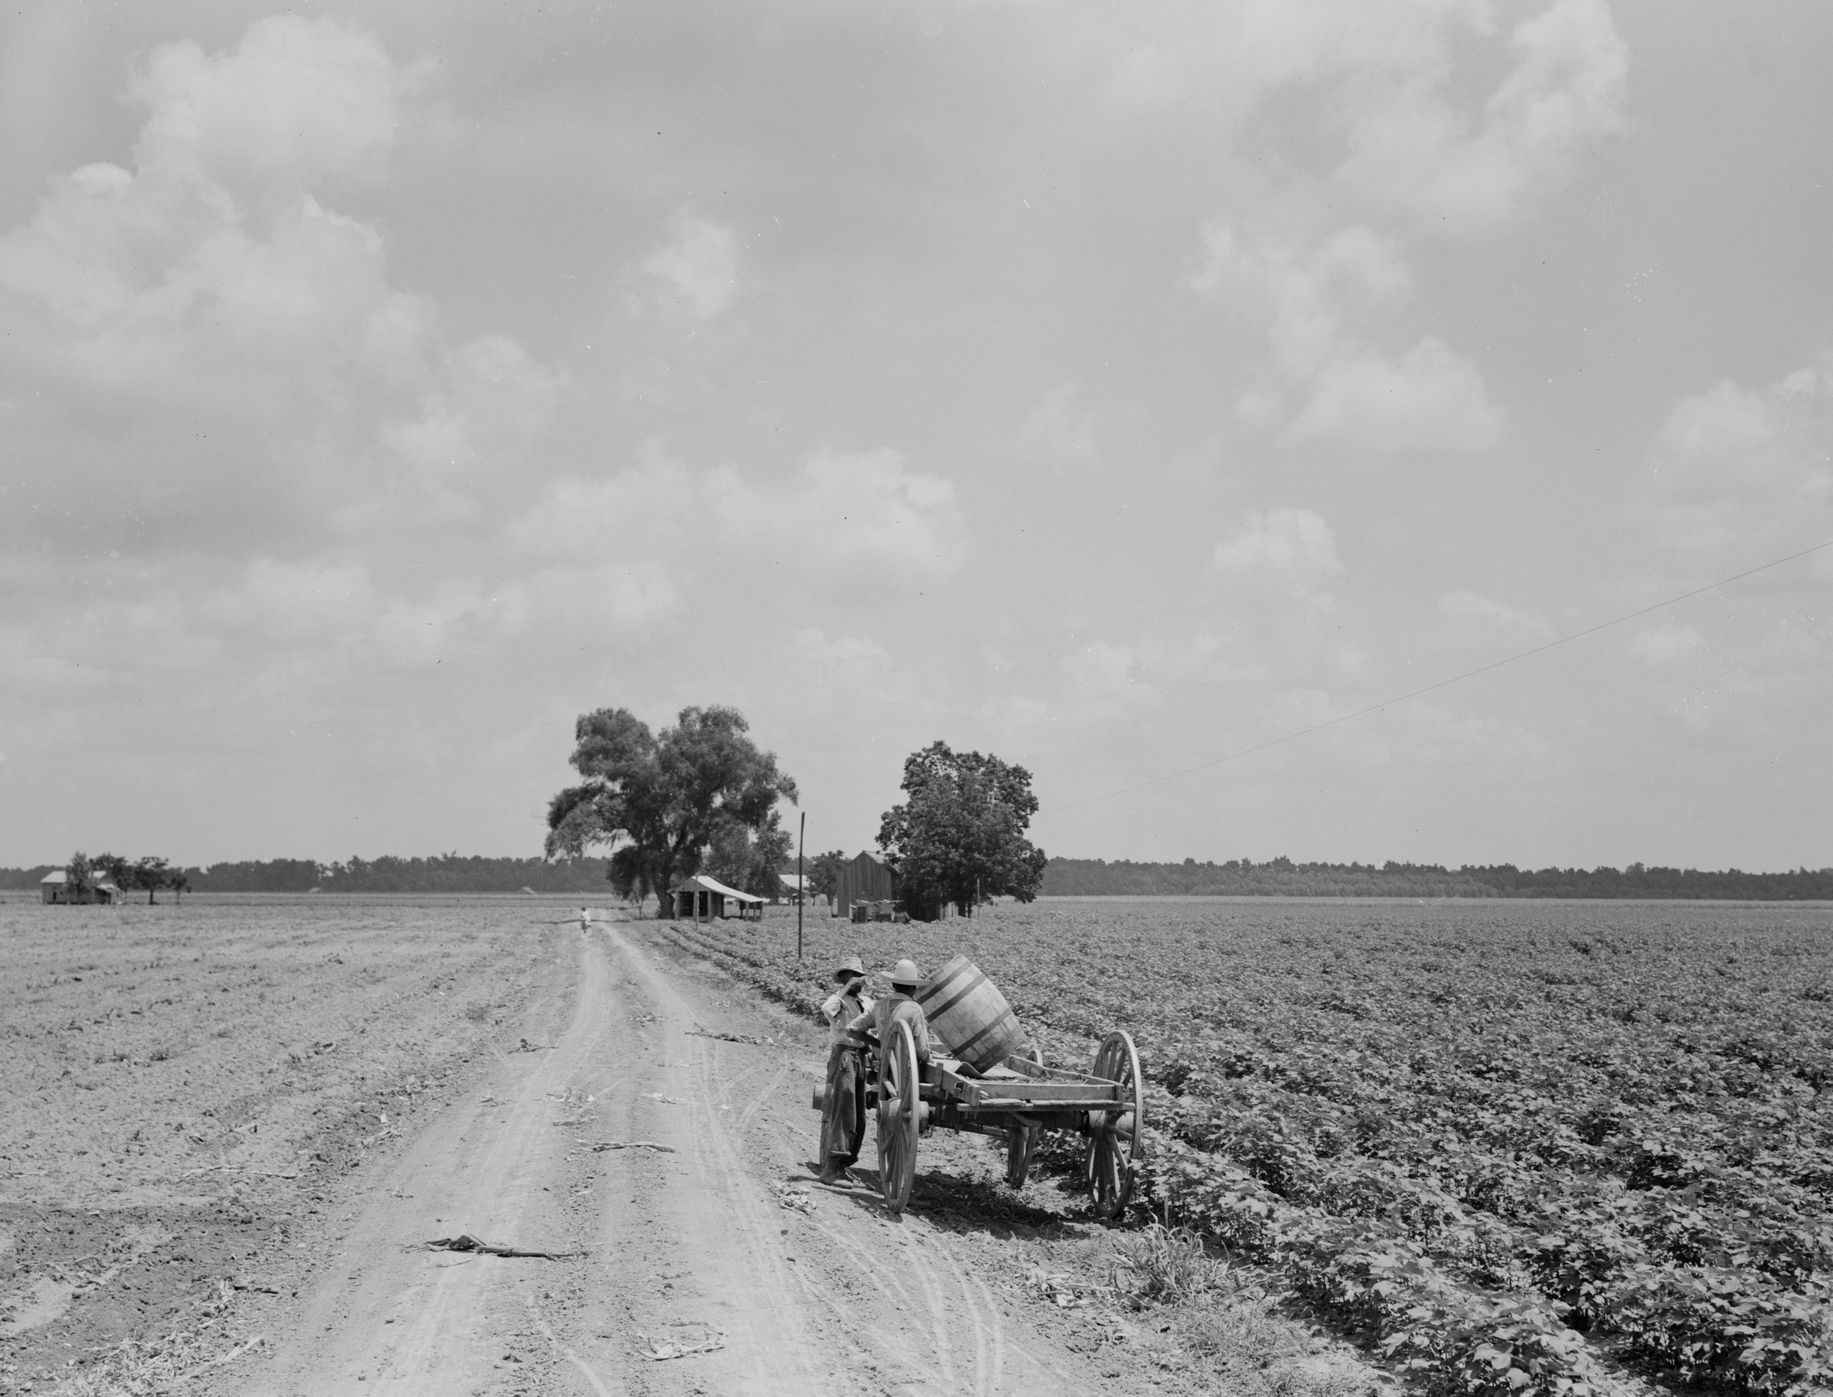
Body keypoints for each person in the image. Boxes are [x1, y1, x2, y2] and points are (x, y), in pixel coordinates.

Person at [817, 955, 873, 1183]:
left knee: (858, 1113)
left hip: (861, 1056)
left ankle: (845, 1163)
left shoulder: (866, 1002)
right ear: (843, 979)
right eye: (851, 977)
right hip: (843, 1056)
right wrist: (845, 989)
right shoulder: (837, 1000)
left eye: (859, 976)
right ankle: (831, 1168)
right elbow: (827, 1010)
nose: (856, 981)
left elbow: (875, 1023)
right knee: (842, 1109)